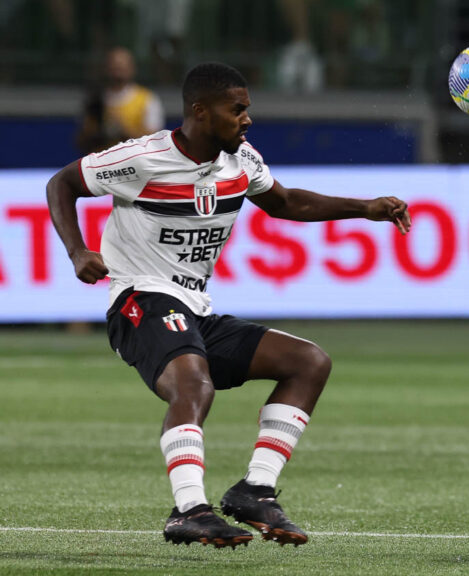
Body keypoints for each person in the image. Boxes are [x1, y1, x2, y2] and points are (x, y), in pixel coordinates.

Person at [47, 62, 411, 548]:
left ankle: (254, 491)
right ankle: (189, 510)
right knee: (193, 385)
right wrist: (77, 251)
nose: (247, 119)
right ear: (200, 111)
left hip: (194, 308)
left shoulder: (242, 161)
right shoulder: (144, 158)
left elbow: (286, 203)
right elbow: (62, 184)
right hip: (140, 297)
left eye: (247, 109)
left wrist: (364, 209)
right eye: (236, 109)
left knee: (308, 361)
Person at [76, 47, 165, 154]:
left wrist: (123, 130)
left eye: (121, 66)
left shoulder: (146, 99)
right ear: (106, 68)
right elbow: (81, 140)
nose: (117, 71)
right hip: (102, 164)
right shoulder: (96, 100)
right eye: (114, 66)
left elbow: (154, 140)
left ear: (132, 68)